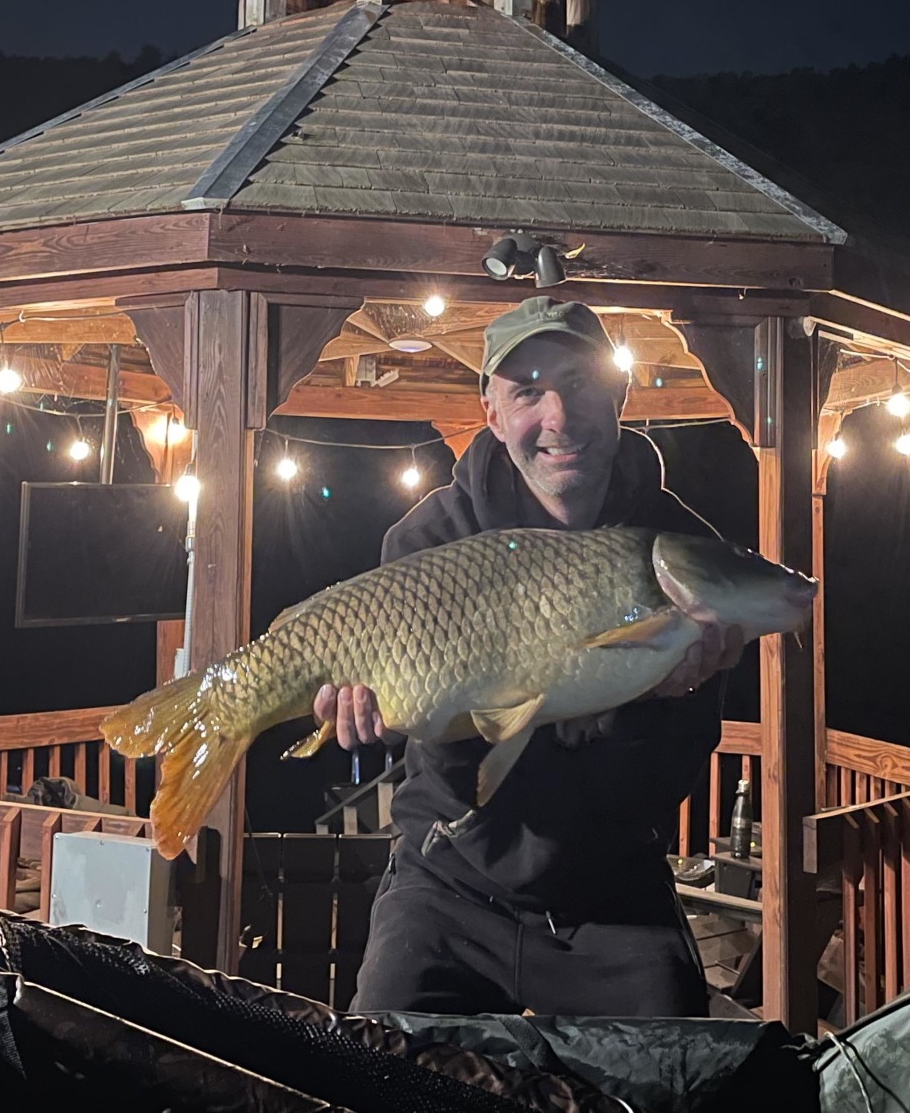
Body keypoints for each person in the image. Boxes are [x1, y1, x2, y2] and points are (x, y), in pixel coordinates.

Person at [313, 296, 747, 1018]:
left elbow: (667, 773)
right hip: (447, 882)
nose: (559, 418)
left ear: (617, 395)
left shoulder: (681, 551)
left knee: (680, 1073)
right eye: (527, 394)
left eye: (578, 385)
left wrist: (651, 704)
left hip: (609, 892)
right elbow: (451, 774)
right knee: (374, 1060)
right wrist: (390, 719)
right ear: (492, 415)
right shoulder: (429, 543)